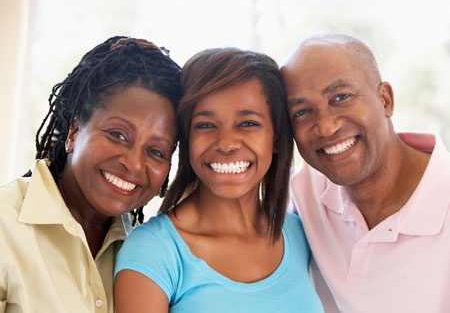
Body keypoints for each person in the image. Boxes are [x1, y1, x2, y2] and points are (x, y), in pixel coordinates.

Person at [114, 48, 324, 313]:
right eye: (205, 125)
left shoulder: (299, 233)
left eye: (248, 123)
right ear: (187, 139)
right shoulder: (153, 251)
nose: (226, 144)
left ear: (277, 138)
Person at [0, 36, 181, 313]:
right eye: (118, 134)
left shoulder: (150, 254)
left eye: (156, 151)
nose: (133, 164)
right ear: (73, 132)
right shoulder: (5, 226)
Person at [281, 33, 450, 313]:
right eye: (302, 112)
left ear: (385, 100)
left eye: (340, 97)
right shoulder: (302, 191)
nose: (325, 127)